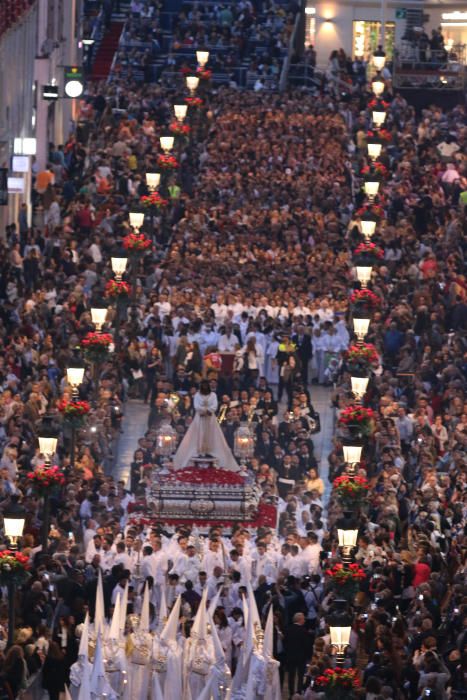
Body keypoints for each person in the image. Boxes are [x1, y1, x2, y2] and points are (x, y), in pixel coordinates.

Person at [173, 380, 239, 471]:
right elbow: (196, 406)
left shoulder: (213, 395)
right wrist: (203, 411)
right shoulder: (197, 395)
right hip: (199, 418)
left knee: (211, 435)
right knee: (199, 434)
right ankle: (200, 451)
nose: (204, 387)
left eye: (205, 385)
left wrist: (208, 411)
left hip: (210, 418)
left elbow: (214, 406)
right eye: (202, 386)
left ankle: (210, 450)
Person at [284, 612, 313, 697]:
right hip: (301, 657)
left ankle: (291, 693)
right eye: (303, 618)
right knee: (300, 676)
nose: (304, 620)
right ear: (300, 620)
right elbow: (307, 645)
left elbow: (285, 643)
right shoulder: (304, 631)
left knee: (291, 675)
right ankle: (299, 692)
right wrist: (309, 656)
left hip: (290, 656)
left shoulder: (288, 629)